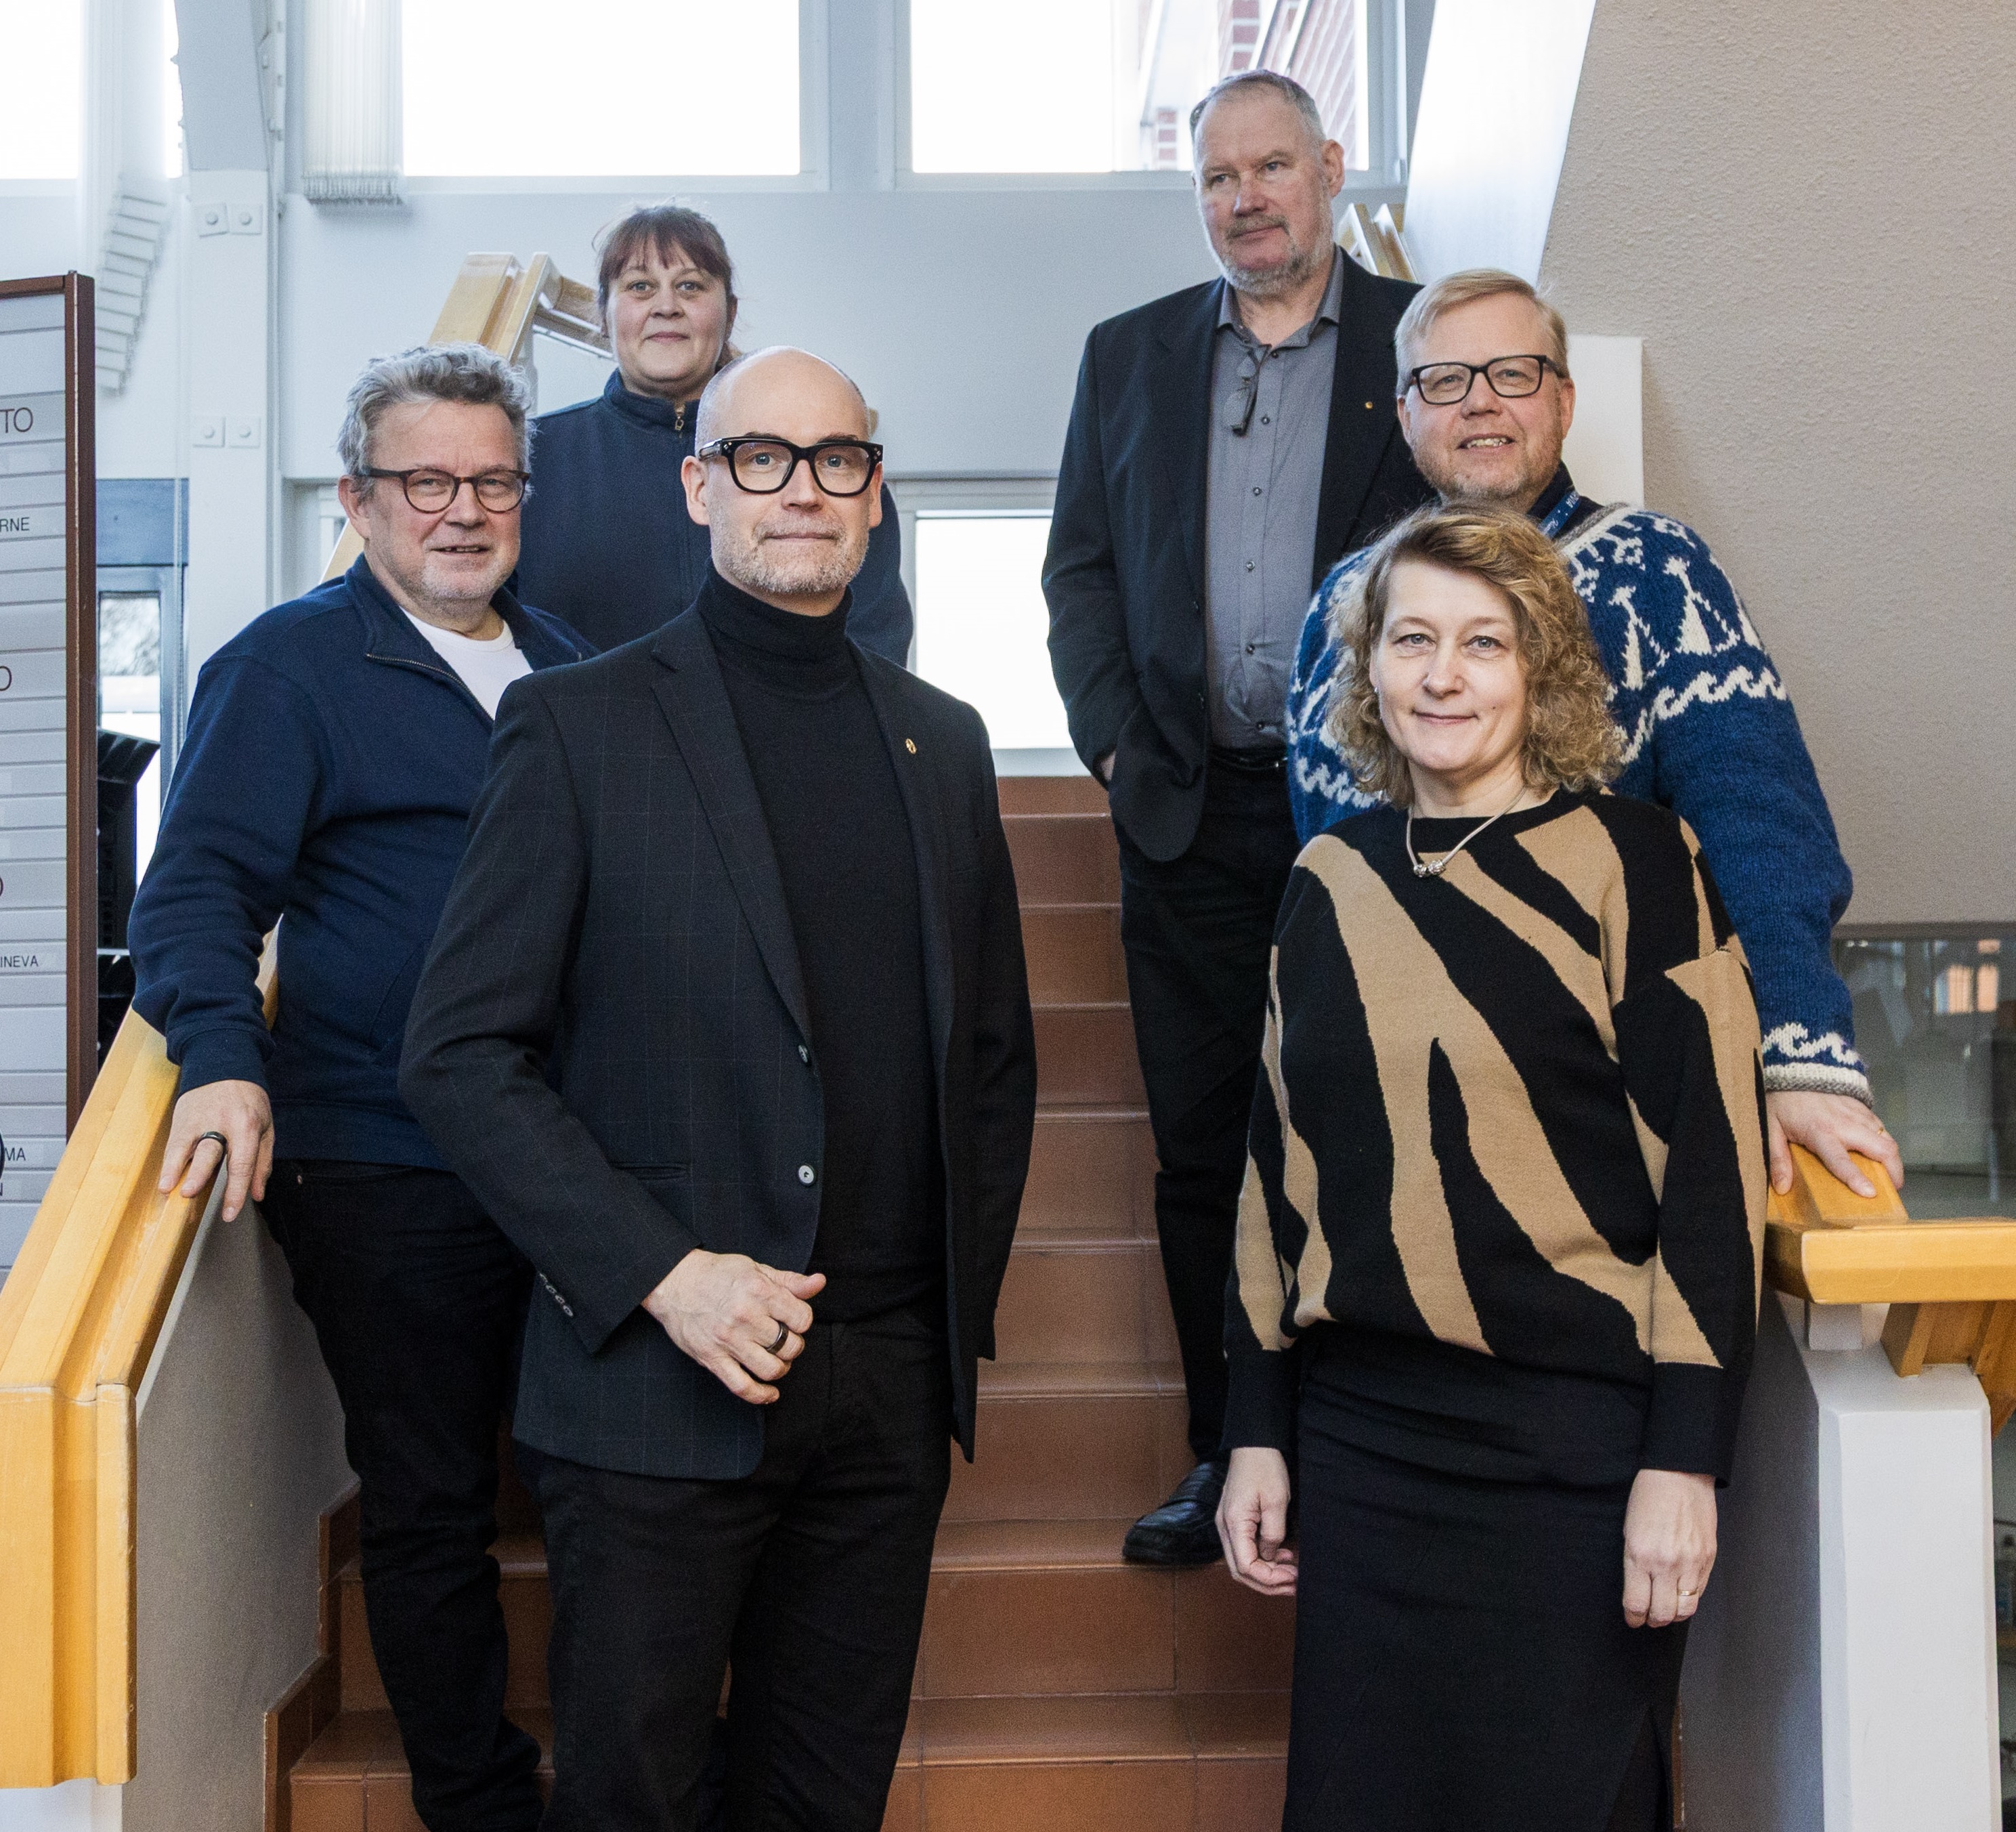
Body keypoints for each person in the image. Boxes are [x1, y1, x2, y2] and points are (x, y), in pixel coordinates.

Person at [399, 346, 1038, 1831]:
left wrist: (938, 1314)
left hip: (884, 1389)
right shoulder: (576, 724)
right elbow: (459, 1053)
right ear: (699, 487)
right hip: (656, 1380)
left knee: (824, 1800)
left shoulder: (943, 744)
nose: (800, 488)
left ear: (873, 496)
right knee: (633, 1799)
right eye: (763, 457)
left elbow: (994, 1059)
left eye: (835, 460)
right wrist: (663, 1274)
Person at [1219, 503, 1766, 1830]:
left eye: (1483, 641)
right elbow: (1273, 1179)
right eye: (1412, 639)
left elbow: (1714, 1174)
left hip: (1571, 1458)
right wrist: (1254, 1431)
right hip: (1364, 1450)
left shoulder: (1640, 862)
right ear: (1369, 669)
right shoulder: (1326, 877)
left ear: (1541, 669)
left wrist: (1683, 1461)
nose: (1443, 675)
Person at [128, 345, 593, 1832]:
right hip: (385, 1155)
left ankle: (624, 1783)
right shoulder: (289, 666)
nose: (463, 510)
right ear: (358, 497)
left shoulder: (573, 665)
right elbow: (196, 889)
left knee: (609, 1480)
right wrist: (220, 1058)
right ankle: (478, 1801)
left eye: (492, 481)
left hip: (571, 1152)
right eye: (426, 480)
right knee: (431, 1495)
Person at [1043, 68, 1434, 1567]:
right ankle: (1228, 1451)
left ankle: (1369, 1447)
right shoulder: (1126, 354)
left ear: (1330, 169)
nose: (1245, 199)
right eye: (1217, 177)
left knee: (1378, 1129)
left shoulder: (1418, 340)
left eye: (1270, 167)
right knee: (1206, 1148)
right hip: (1187, 818)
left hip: (1381, 821)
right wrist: (1114, 748)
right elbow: (1081, 568)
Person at [1286, 267, 1900, 1203]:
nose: (1480, 401)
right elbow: (1326, 865)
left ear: (1564, 401)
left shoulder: (1662, 572)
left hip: (1613, 1099)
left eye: (1513, 373)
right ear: (1406, 416)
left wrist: (1799, 1058)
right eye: (1444, 380)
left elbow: (1760, 831)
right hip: (1404, 1104)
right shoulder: (1345, 606)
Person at [515, 203, 914, 666]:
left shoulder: (831, 469)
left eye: (690, 286)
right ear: (603, 314)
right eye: (640, 286)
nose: (667, 307)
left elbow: (873, 640)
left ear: (730, 312)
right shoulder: (531, 461)